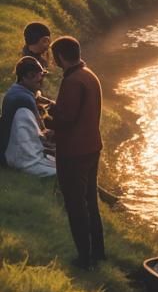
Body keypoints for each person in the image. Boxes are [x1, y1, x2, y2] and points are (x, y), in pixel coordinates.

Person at [49, 36, 104, 268]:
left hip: (74, 152)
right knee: (90, 202)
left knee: (75, 204)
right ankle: (98, 252)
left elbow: (67, 120)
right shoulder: (89, 75)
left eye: (54, 57)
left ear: (60, 57)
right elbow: (78, 112)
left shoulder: (72, 82)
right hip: (92, 146)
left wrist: (47, 119)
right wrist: (55, 107)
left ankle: (84, 259)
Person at [0, 57, 57, 177]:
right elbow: (34, 137)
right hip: (15, 154)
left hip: (5, 149)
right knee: (60, 169)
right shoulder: (24, 99)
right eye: (37, 77)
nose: (41, 80)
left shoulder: (16, 91)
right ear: (26, 77)